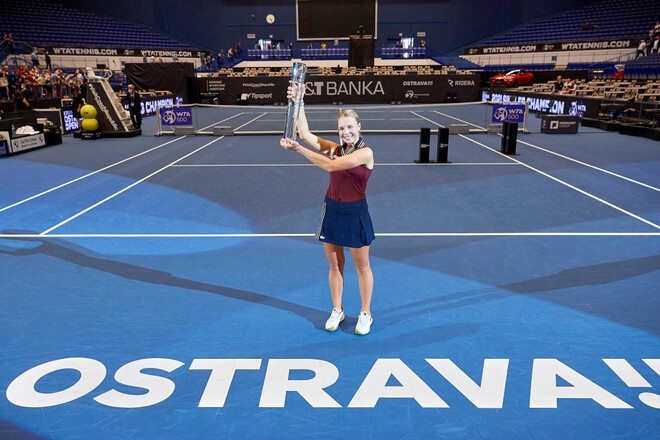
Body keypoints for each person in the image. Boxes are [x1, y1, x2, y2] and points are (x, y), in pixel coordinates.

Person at [280, 84, 375, 335]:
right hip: (332, 211)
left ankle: (365, 313)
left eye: (350, 127)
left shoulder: (365, 153)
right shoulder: (335, 149)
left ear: (359, 127)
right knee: (334, 266)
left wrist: (299, 150)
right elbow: (305, 134)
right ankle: (337, 310)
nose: (346, 132)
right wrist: (299, 101)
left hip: (355, 214)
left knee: (362, 267)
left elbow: (332, 167)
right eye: (341, 128)